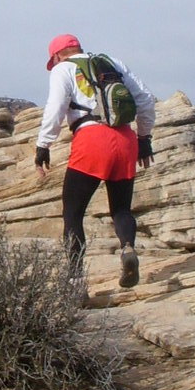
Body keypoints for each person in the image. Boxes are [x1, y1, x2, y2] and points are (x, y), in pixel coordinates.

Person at [34, 34, 156, 289]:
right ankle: (127, 248)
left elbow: (56, 107)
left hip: (91, 140)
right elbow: (145, 98)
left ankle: (76, 281)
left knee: (73, 213)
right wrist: (144, 138)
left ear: (56, 56)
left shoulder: (63, 69)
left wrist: (43, 145)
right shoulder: (112, 63)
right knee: (121, 209)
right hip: (125, 139)